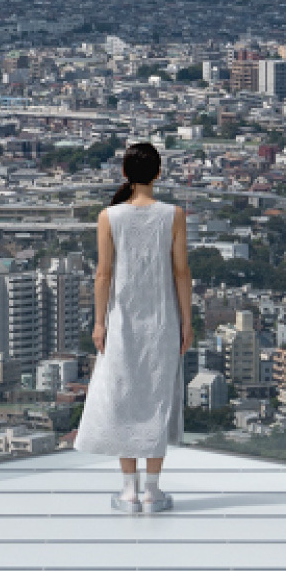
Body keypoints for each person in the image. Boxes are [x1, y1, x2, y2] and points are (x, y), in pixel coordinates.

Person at [71, 139, 192, 511]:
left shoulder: (109, 217)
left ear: (125, 173)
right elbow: (182, 273)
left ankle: (128, 490)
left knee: (123, 397)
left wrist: (98, 321)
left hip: (120, 321)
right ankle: (153, 491)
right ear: (158, 173)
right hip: (163, 320)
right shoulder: (173, 215)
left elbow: (103, 274)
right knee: (156, 397)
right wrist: (187, 322)